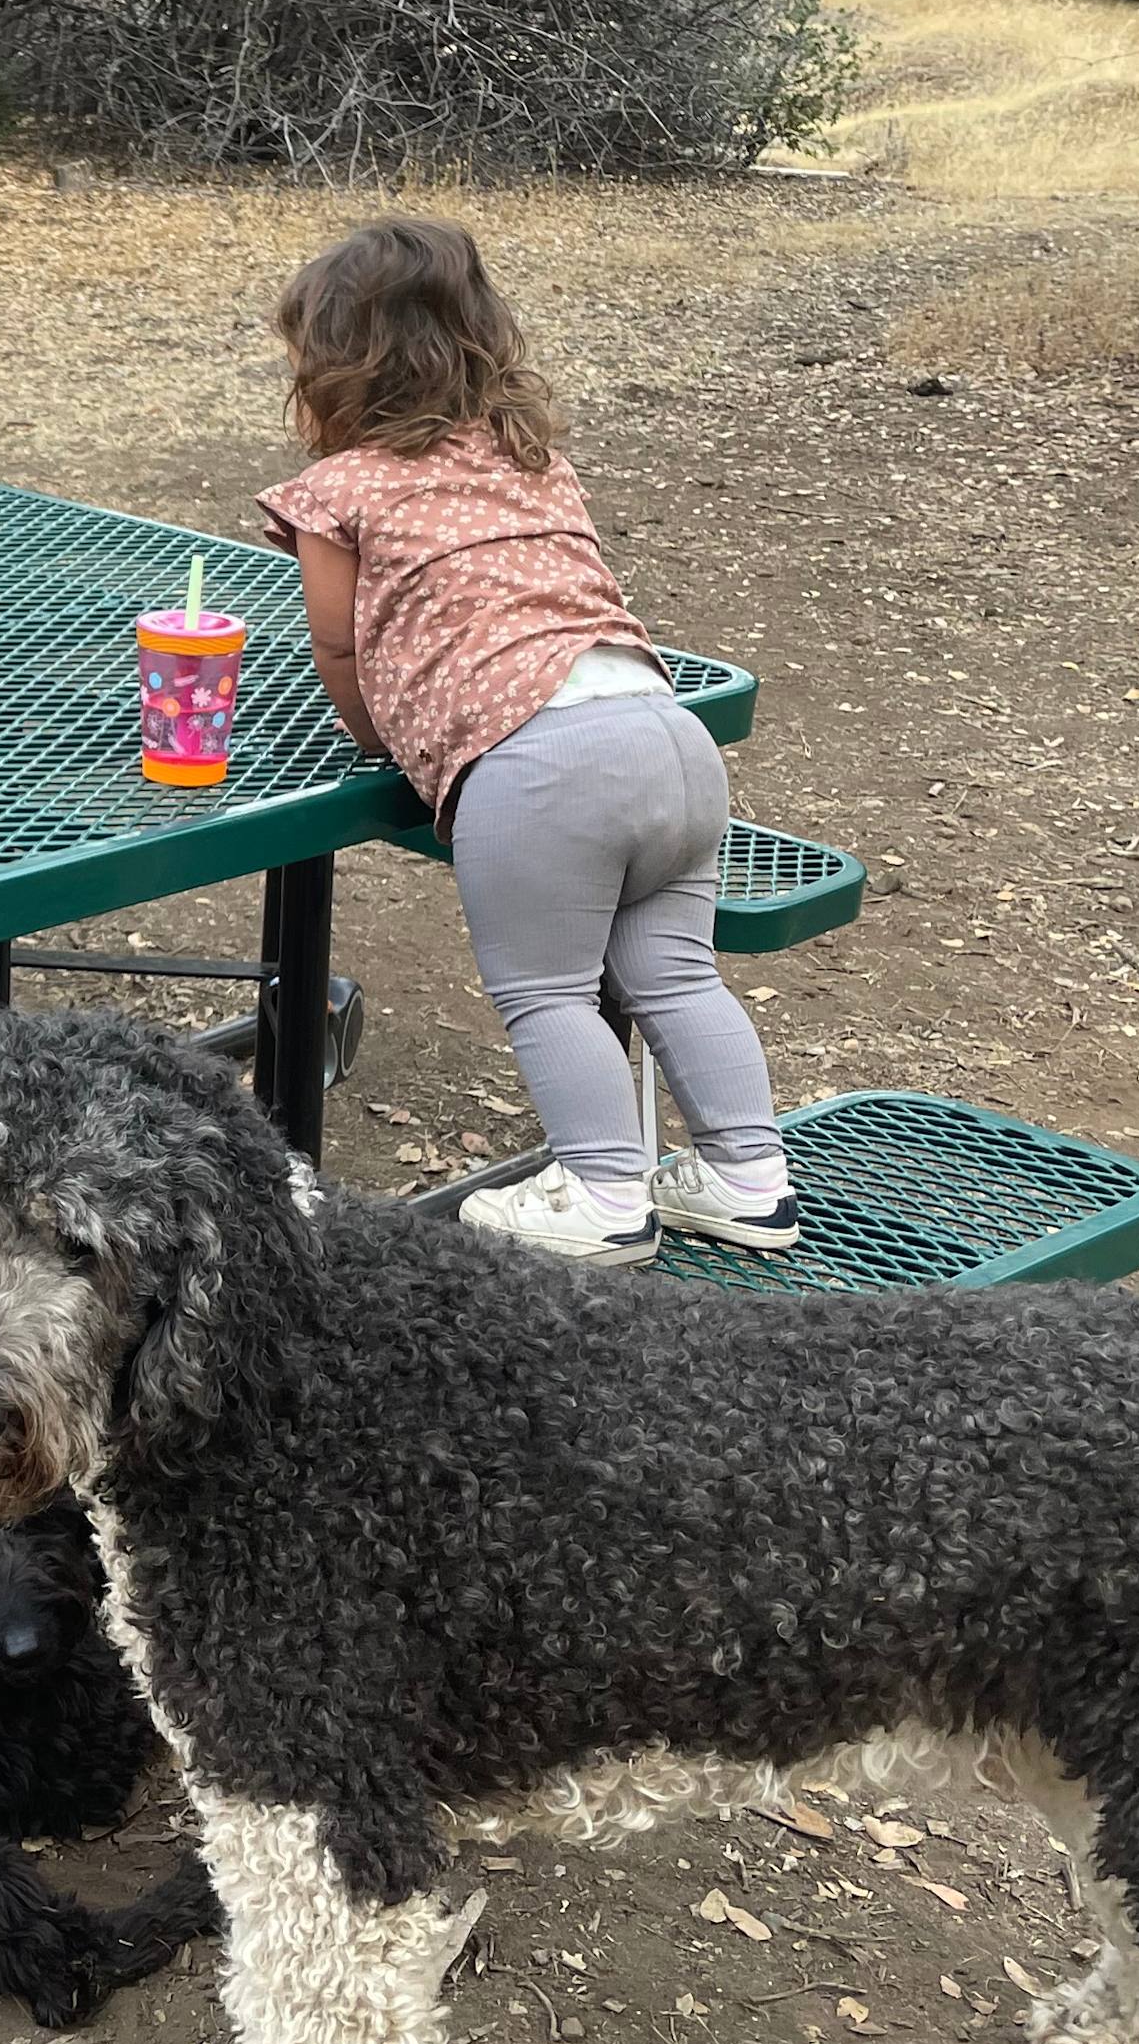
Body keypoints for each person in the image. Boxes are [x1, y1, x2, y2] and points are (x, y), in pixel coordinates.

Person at [257, 219, 794, 1264]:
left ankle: (602, 1191)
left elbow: (339, 645)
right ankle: (748, 1178)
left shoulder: (342, 488)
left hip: (539, 765)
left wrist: (383, 735)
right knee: (680, 977)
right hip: (665, 734)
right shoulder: (530, 457)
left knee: (546, 991)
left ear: (328, 369)